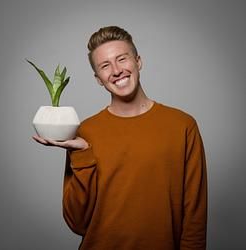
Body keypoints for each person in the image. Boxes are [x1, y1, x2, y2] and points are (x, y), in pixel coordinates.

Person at [33, 26, 207, 250]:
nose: (116, 70)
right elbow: (76, 222)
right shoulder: (83, 132)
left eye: (122, 59)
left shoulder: (183, 125)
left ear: (138, 61)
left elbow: (195, 216)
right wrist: (81, 154)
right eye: (105, 66)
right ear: (98, 79)